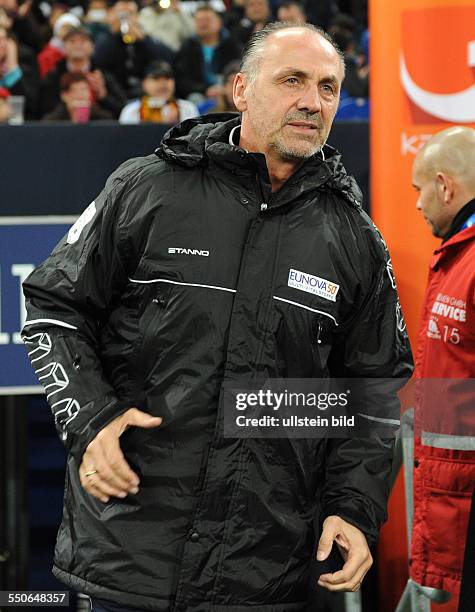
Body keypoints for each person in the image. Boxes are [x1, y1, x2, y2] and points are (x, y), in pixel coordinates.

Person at [22, 22, 412, 611]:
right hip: (133, 554)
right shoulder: (147, 189)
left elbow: (373, 394)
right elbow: (53, 308)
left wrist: (352, 507)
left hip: (264, 567)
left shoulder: (355, 238)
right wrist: (91, 421)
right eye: (293, 80)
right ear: (241, 90)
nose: (313, 100)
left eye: (329, 87)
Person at [411, 126, 475, 609]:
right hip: (454, 495)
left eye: (420, 190)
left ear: (446, 186)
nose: (417, 204)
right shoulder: (457, 257)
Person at [93, 0, 174, 98]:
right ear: (112, 14)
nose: (126, 19)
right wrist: (113, 33)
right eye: (122, 14)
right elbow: (97, 61)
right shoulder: (105, 36)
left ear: (137, 17)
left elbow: (168, 57)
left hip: (145, 91)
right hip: (114, 92)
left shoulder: (144, 36)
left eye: (130, 14)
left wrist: (144, 39)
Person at [40, 26, 126, 119]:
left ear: (92, 46)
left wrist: (103, 96)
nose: (77, 45)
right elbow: (43, 110)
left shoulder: (103, 75)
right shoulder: (54, 76)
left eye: (83, 41)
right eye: (72, 41)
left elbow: (122, 110)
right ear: (64, 46)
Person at [174, 5, 239, 101]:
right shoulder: (187, 47)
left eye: (207, 20)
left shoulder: (231, 44)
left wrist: (225, 87)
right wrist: (205, 90)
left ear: (219, 23)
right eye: (199, 20)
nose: (203, 24)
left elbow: (238, 69)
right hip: (200, 94)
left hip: (228, 90)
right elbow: (182, 80)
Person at [119, 61, 198, 124]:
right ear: (144, 84)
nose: (163, 83)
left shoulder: (187, 108)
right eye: (156, 78)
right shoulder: (132, 111)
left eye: (167, 78)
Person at [42, 70, 113, 121]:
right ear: (64, 95)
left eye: (84, 90)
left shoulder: (102, 118)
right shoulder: (52, 121)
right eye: (75, 91)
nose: (80, 95)